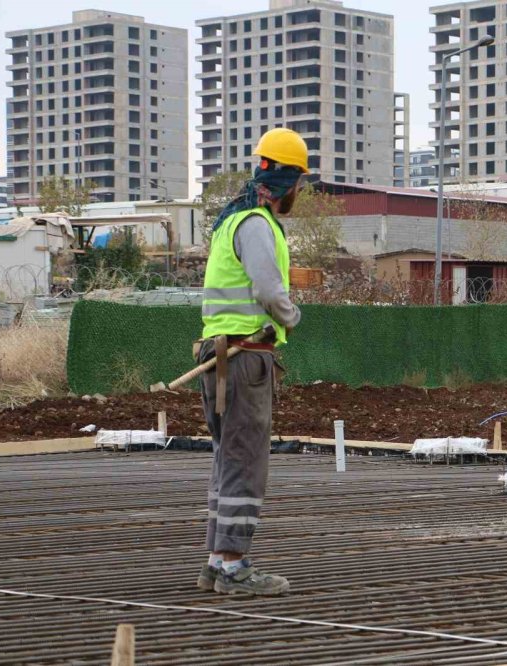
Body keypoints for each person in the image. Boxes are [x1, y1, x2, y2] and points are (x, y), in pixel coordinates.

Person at [194, 127, 308, 595]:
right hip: (244, 359)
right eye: (300, 180)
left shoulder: (231, 220)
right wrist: (291, 315)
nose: (301, 189)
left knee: (228, 460)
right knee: (246, 462)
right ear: (287, 180)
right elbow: (267, 289)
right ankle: (234, 567)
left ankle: (216, 561)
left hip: (219, 355)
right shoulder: (257, 224)